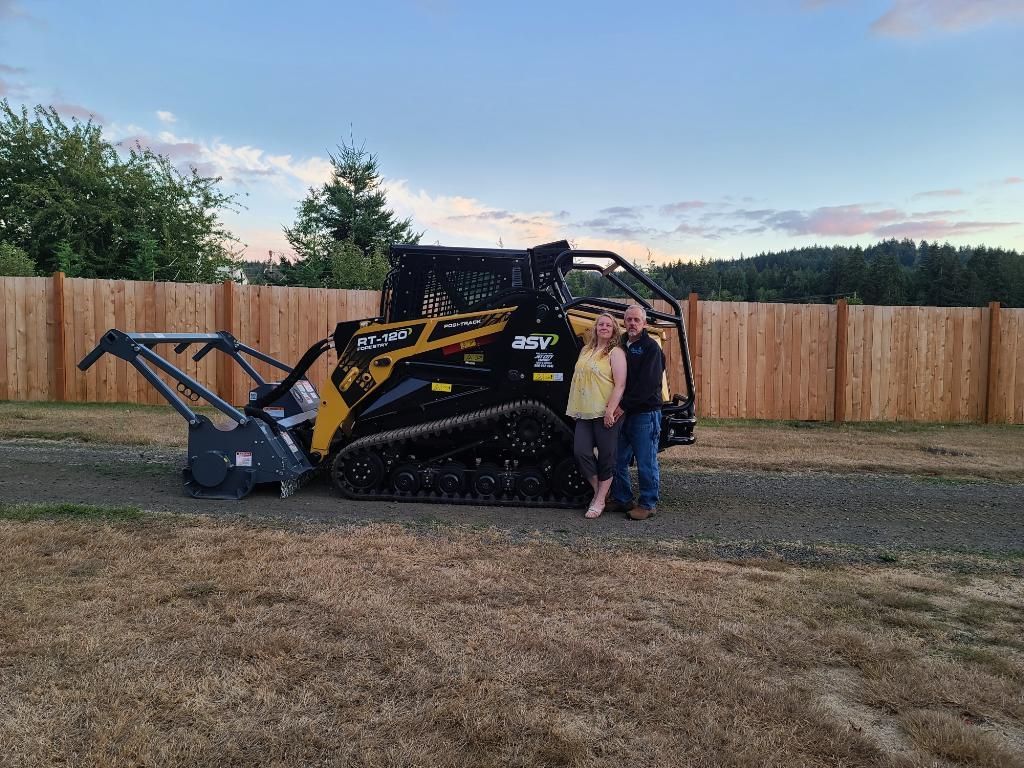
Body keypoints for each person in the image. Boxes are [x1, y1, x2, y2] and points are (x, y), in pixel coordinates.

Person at [565, 312, 627, 519]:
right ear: (595, 328)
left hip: (604, 412)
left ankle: (599, 501)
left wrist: (611, 410)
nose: (604, 327)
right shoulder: (586, 350)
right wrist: (574, 407)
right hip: (584, 411)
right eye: (601, 324)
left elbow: (620, 384)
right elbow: (577, 380)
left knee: (606, 456)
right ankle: (601, 490)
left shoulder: (615, 352)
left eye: (608, 325)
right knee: (581, 451)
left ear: (614, 330)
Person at [609, 305, 665, 521]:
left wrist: (623, 405)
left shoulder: (651, 348)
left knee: (645, 460)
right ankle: (623, 499)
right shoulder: (621, 344)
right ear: (624, 321)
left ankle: (648, 503)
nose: (632, 323)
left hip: (644, 413)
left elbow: (648, 384)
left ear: (644, 323)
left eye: (636, 320)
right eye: (629, 319)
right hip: (623, 412)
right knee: (617, 458)